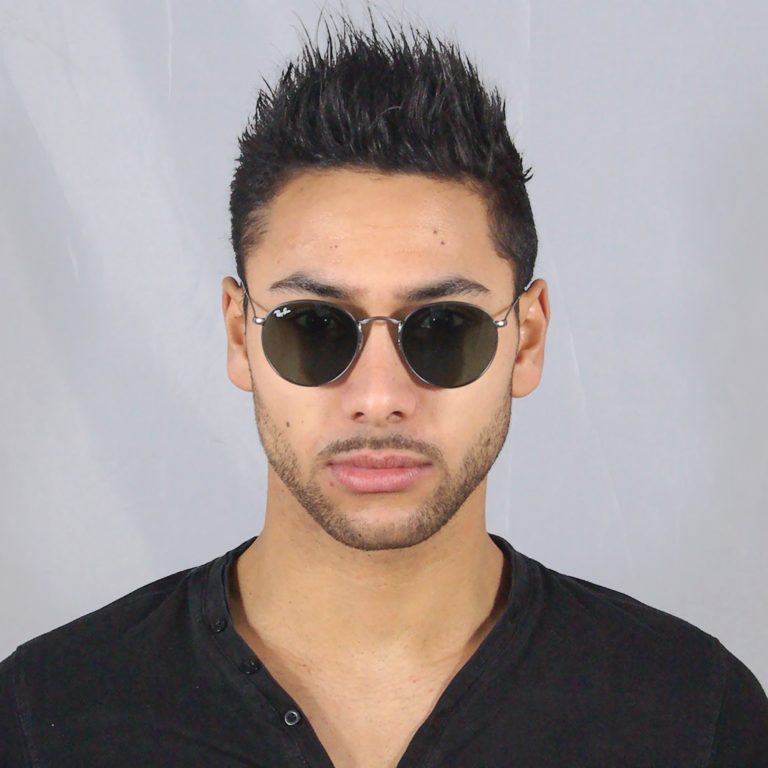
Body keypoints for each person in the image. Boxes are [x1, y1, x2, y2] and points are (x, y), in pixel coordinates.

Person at [1, 13, 767, 768]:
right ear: (239, 335)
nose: (378, 395)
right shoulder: (48, 717)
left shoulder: (691, 717)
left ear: (527, 339)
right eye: (314, 326)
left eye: (443, 327)